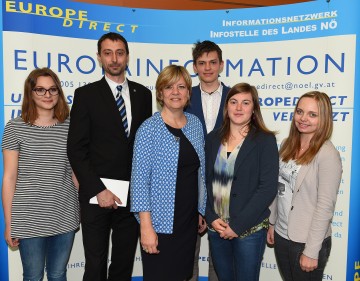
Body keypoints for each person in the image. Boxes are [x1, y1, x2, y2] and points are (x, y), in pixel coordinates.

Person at [67, 32, 152, 281]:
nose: (114, 59)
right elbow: (76, 148)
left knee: (123, 263)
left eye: (119, 53)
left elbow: (143, 147)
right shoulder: (86, 95)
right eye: (108, 53)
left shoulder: (143, 95)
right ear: (99, 57)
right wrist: (98, 190)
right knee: (95, 264)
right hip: (96, 196)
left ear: (127, 57)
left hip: (132, 195)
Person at [1, 67, 79, 280]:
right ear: (30, 93)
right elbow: (9, 177)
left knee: (58, 274)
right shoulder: (15, 127)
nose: (47, 95)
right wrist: (10, 224)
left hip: (64, 215)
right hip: (28, 218)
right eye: (40, 90)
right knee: (33, 276)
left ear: (59, 93)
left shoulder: (71, 127)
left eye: (53, 89)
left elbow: (75, 172)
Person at [130, 65, 207, 281]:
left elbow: (199, 173)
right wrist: (146, 226)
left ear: (188, 93)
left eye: (181, 87)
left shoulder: (195, 124)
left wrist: (201, 209)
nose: (175, 92)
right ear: (160, 93)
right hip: (160, 223)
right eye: (169, 87)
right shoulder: (149, 128)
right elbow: (139, 180)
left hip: (188, 222)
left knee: (183, 275)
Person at [205, 83, 279, 281]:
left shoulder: (265, 141)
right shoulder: (212, 139)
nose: (238, 108)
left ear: (253, 109)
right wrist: (210, 215)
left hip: (249, 230)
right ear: (226, 107)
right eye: (234, 102)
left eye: (245, 103)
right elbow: (203, 182)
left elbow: (268, 188)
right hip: (217, 227)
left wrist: (237, 226)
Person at [267, 91, 342, 281]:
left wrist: (311, 250)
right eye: (300, 112)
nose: (303, 118)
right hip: (282, 235)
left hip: (307, 241)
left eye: (312, 114)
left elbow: (325, 206)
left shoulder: (327, 154)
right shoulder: (286, 145)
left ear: (323, 119)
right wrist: (272, 223)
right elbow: (278, 189)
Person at [186, 40, 230, 281]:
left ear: (221, 64)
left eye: (213, 62)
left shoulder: (236, 97)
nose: (208, 68)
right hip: (189, 184)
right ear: (194, 66)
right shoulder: (183, 96)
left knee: (221, 256)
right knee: (187, 255)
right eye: (202, 63)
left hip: (226, 183)